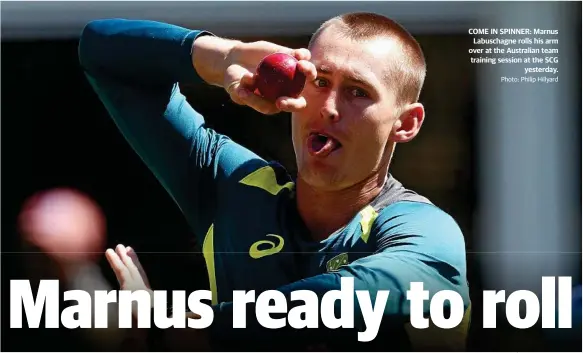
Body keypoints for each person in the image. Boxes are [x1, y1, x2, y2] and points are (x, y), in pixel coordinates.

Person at [77, 12, 470, 351]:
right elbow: (101, 51)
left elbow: (387, 292)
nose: (329, 108)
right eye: (319, 81)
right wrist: (221, 56)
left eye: (357, 92)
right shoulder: (237, 186)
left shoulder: (420, 227)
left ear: (405, 122)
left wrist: (191, 327)